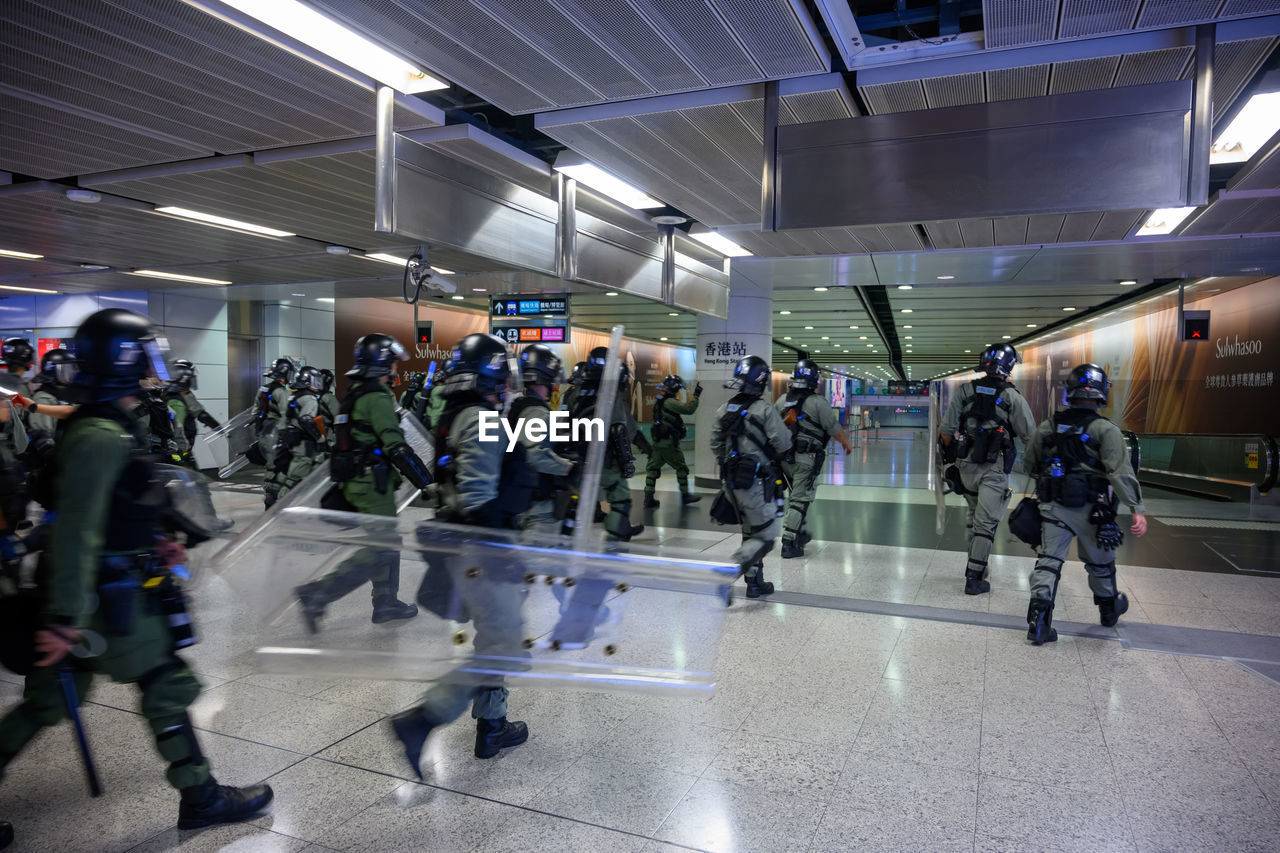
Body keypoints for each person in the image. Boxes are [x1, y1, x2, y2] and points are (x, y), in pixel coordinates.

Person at [0, 309, 273, 839]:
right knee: (166, 684)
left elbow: (110, 508)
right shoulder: (100, 434)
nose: (154, 367)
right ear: (123, 361)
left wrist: (155, 539)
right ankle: (202, 797)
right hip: (103, 596)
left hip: (98, 590)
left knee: (49, 700)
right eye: (145, 355)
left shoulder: (105, 424)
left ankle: (201, 795)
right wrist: (62, 617)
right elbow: (77, 529)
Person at [392, 333, 529, 772]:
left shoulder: (453, 414)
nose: (508, 384)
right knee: (505, 646)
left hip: (465, 547)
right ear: (491, 373)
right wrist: (502, 554)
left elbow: (447, 485)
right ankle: (423, 719)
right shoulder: (480, 419)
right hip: (483, 550)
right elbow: (477, 496)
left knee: (495, 638)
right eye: (503, 374)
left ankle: (493, 726)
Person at [295, 335, 428, 628]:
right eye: (392, 362)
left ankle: (385, 601)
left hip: (357, 480)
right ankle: (319, 593)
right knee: (383, 546)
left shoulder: (355, 392)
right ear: (382, 363)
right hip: (371, 483)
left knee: (385, 541)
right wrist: (425, 482)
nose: (395, 368)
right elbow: (396, 446)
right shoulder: (377, 397)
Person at [1022, 363, 1148, 645]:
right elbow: (1119, 473)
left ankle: (1039, 622)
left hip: (1053, 505)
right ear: (1101, 393)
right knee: (1100, 563)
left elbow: (1029, 463)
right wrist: (1136, 509)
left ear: (1071, 392)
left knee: (1049, 562)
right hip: (1093, 509)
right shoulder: (1106, 430)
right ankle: (1108, 611)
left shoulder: (1048, 426)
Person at [939, 344, 1036, 594]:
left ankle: (978, 567)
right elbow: (1030, 438)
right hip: (994, 468)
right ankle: (973, 578)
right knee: (986, 524)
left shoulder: (965, 391)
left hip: (965, 466)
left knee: (974, 519)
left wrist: (949, 466)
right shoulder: (1012, 397)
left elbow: (947, 432)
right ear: (1009, 367)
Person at [711, 355, 791, 598]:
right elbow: (783, 443)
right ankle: (729, 572)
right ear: (760, 381)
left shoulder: (724, 409)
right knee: (765, 537)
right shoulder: (764, 410)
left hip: (732, 483)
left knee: (750, 531)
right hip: (757, 484)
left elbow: (715, 444)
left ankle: (755, 583)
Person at [776, 360, 852, 558]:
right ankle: (788, 543)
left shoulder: (782, 400)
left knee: (796, 498)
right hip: (806, 459)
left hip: (783, 460)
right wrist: (846, 443)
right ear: (814, 380)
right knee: (800, 500)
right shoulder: (818, 402)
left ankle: (798, 532)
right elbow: (834, 428)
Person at [571, 347, 643, 541]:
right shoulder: (611, 394)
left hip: (579, 453)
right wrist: (626, 460)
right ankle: (618, 530)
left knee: (578, 493)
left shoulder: (578, 392)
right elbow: (619, 428)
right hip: (605, 454)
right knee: (619, 494)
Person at [508, 344, 575, 529]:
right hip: (536, 506)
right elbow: (533, 455)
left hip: (521, 497)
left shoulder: (518, 406)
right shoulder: (537, 413)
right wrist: (566, 467)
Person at [263, 366, 328, 508]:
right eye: (315, 381)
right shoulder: (310, 398)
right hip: (303, 443)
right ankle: (282, 505)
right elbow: (306, 419)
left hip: (290, 439)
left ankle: (272, 497)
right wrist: (320, 439)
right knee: (296, 475)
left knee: (285, 471)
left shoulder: (294, 395)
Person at [643, 375, 702, 509]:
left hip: (658, 442)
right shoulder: (670, 402)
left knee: (652, 469)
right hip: (669, 444)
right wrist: (696, 394)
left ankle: (648, 498)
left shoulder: (660, 401)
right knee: (681, 467)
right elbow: (689, 409)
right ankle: (685, 495)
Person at [164, 360, 221, 467]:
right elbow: (177, 430)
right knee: (187, 475)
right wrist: (181, 451)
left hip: (185, 448)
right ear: (184, 379)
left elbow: (199, 413)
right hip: (180, 449)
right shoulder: (176, 401)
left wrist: (218, 427)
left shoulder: (184, 395)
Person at [253, 358, 293, 466]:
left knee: (270, 462)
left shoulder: (263, 389)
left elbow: (255, 411)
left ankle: (269, 481)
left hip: (264, 429)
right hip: (277, 431)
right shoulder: (281, 392)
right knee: (279, 463)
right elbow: (286, 414)